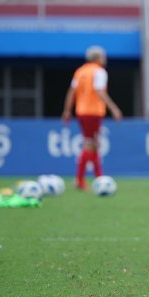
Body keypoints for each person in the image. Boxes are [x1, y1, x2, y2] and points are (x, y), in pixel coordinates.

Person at [62, 46, 122, 190]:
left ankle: (98, 178)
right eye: (103, 57)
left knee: (94, 144)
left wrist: (67, 110)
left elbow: (72, 92)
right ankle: (79, 180)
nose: (105, 59)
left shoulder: (80, 71)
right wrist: (114, 108)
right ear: (97, 58)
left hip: (81, 111)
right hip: (93, 112)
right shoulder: (99, 72)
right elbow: (100, 91)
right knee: (90, 144)